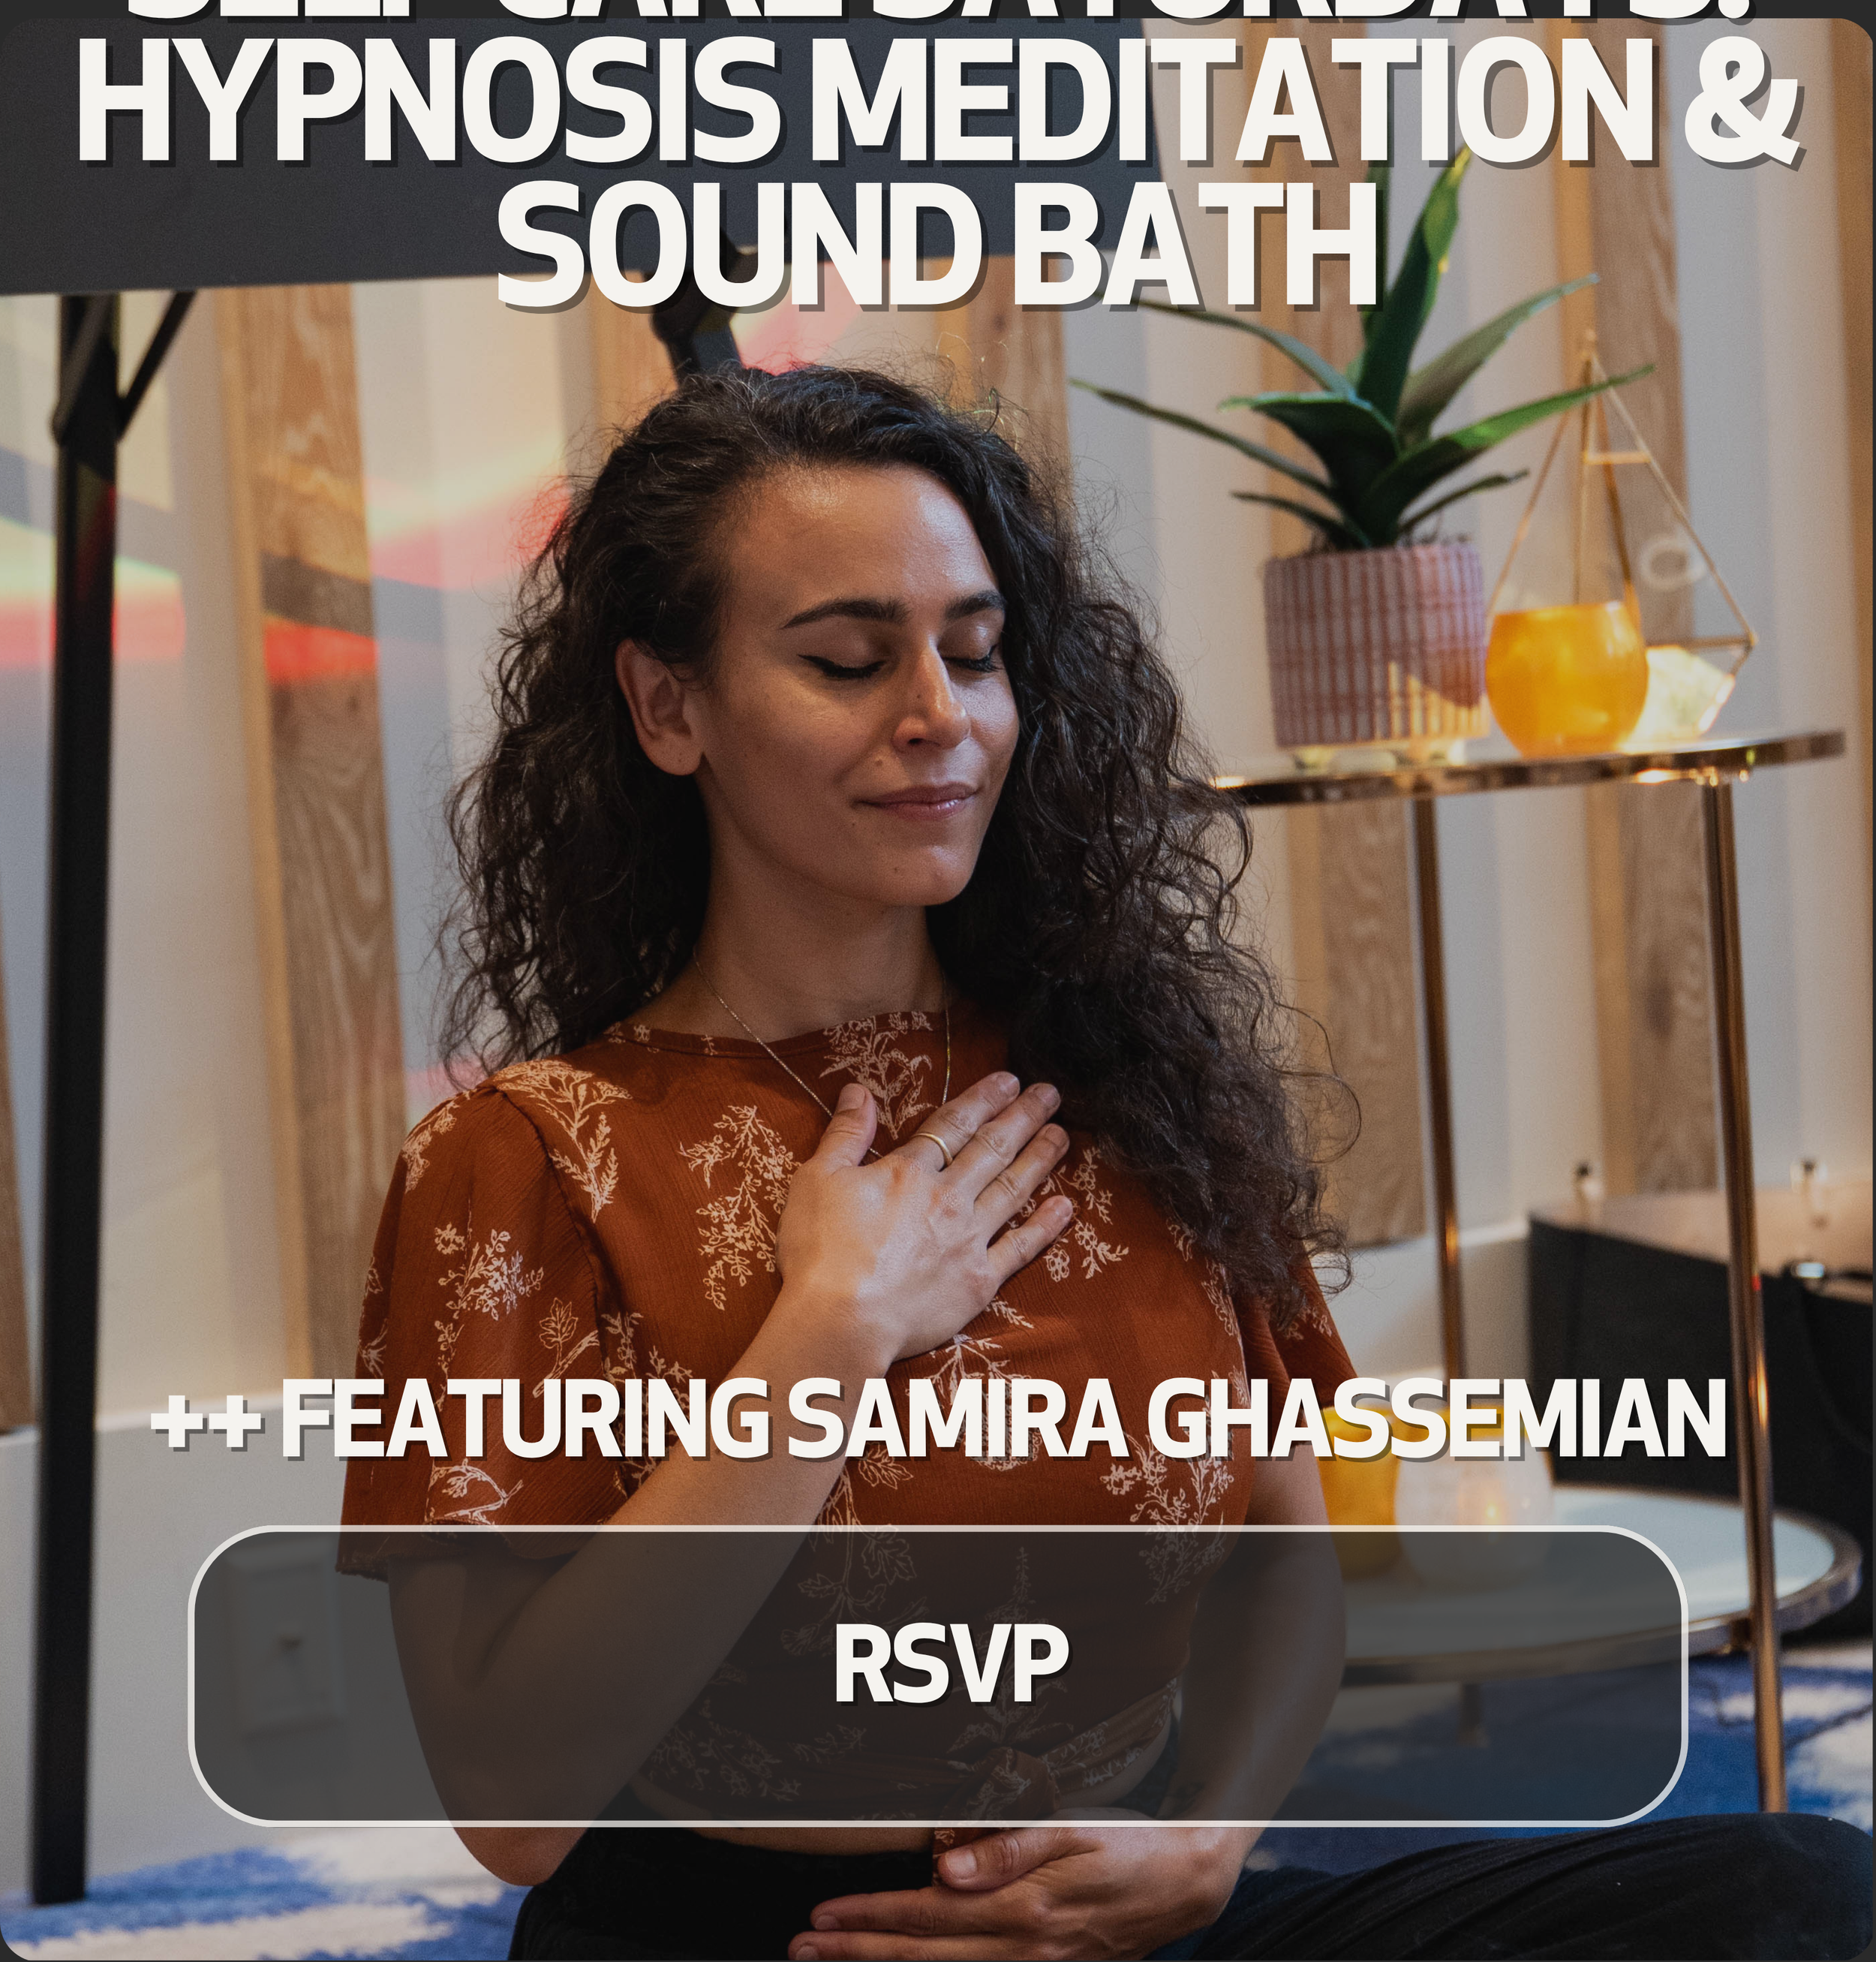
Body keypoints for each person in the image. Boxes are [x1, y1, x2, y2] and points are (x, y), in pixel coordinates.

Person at [341, 365, 1870, 1961]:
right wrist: (826, 1339)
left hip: (1133, 1926)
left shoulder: (1125, 1078)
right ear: (667, 705)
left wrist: (1204, 1827)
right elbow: (509, 1799)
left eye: (976, 650)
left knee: (1792, 1897)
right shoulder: (520, 1156)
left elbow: (1285, 1563)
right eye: (849, 659)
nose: (937, 710)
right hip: (769, 1936)